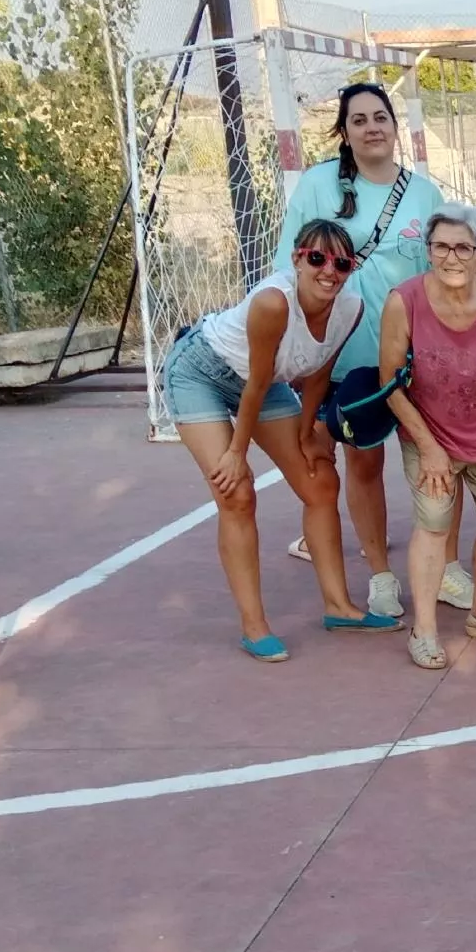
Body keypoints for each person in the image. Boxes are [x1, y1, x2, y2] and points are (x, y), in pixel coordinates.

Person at [161, 220, 400, 658]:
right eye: (317, 259)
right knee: (236, 493)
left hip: (267, 381)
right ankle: (254, 627)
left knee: (320, 482)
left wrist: (309, 433)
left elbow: (318, 372)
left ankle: (339, 606)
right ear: (297, 259)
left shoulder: (351, 309)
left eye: (342, 263)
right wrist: (237, 452)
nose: (329, 270)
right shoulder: (274, 303)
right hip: (203, 371)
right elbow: (254, 384)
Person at [275, 82, 445, 618]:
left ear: (396, 126)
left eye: (381, 117)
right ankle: (380, 574)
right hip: (345, 361)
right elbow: (292, 268)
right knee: (363, 465)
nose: (372, 127)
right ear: (344, 133)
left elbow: (440, 277)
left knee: (437, 466)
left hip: (412, 358)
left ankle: (446, 566)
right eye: (359, 120)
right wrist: (298, 352)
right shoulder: (320, 185)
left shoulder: (424, 194)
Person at [379, 203, 476, 668]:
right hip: (429, 431)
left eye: (463, 247)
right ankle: (423, 630)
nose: (452, 257)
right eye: (441, 246)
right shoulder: (403, 302)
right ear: (428, 251)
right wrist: (429, 448)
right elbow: (390, 384)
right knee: (433, 521)